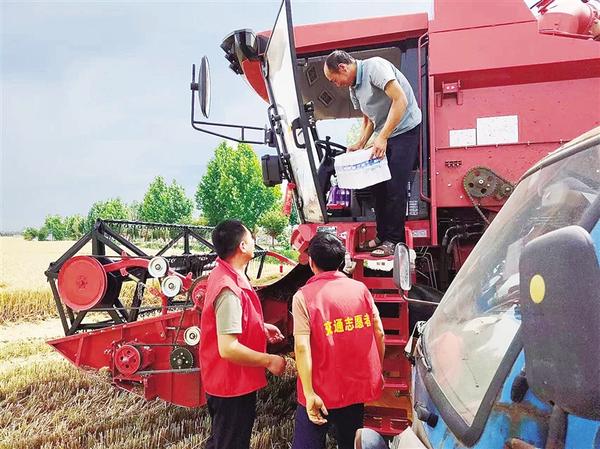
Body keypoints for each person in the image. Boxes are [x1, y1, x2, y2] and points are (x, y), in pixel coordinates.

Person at [291, 232, 386, 449]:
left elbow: (302, 348)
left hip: (320, 391)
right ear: (342, 261)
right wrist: (376, 372)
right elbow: (379, 332)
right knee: (350, 442)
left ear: (311, 262)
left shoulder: (303, 297)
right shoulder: (361, 290)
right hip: (355, 388)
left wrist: (309, 393)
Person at [324, 50, 422, 257]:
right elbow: (368, 118)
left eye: (334, 79)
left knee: (394, 187)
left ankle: (393, 241)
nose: (336, 84)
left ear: (342, 68)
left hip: (405, 129)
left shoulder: (375, 67)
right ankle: (381, 236)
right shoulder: (353, 87)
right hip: (383, 132)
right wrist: (361, 143)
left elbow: (400, 100)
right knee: (377, 185)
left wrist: (383, 137)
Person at [199, 219, 287, 449]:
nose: (254, 241)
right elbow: (228, 348)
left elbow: (234, 320)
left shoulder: (227, 274)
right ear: (243, 246)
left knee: (222, 440)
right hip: (231, 383)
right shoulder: (228, 287)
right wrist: (269, 360)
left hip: (231, 379)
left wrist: (261, 327)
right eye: (251, 237)